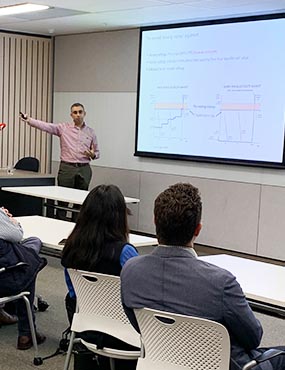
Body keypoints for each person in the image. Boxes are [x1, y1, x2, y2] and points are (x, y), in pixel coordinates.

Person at [121, 182, 285, 370]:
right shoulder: (221, 283)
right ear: (198, 229)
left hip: (161, 360)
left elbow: (137, 324)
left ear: (155, 222)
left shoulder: (130, 271)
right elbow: (253, 338)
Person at [61, 184, 139, 370]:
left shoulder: (70, 248)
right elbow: (141, 293)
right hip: (125, 336)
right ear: (119, 217)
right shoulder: (125, 253)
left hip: (86, 330)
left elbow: (73, 293)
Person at [20, 103, 100, 220]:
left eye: (80, 112)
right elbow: (45, 126)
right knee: (63, 200)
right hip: (67, 168)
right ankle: (60, 225)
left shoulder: (91, 132)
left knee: (81, 201)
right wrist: (29, 120)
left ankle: (77, 229)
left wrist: (93, 154)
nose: (78, 115)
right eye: (75, 112)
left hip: (84, 168)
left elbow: (97, 152)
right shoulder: (63, 128)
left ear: (84, 113)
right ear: (71, 115)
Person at [0, 207, 47, 350]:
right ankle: (26, 333)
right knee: (28, 267)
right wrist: (10, 221)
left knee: (29, 251)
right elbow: (17, 235)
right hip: (5, 280)